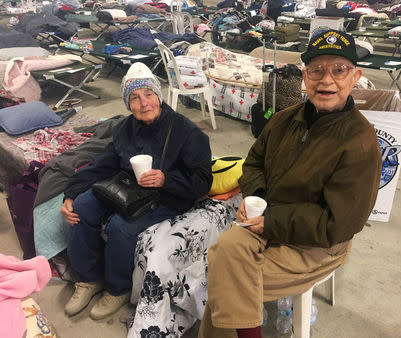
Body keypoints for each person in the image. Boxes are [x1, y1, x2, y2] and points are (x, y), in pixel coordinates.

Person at [198, 30, 382, 338]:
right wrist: (255, 198)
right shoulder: (285, 119)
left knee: (226, 275)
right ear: (304, 76)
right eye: (317, 70)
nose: (326, 80)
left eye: (339, 69)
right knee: (226, 250)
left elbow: (338, 224)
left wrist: (271, 221)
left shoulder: (359, 143)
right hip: (268, 222)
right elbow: (254, 162)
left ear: (355, 76)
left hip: (318, 244)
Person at [60, 62, 213, 320]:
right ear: (127, 104)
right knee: (83, 207)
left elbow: (202, 180)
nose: (143, 103)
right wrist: (71, 192)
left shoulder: (186, 132)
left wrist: (166, 179)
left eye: (149, 95)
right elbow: (102, 164)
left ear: (159, 97)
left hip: (169, 195)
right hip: (129, 188)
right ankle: (88, 278)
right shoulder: (124, 128)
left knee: (121, 227)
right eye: (135, 98)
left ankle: (118, 288)